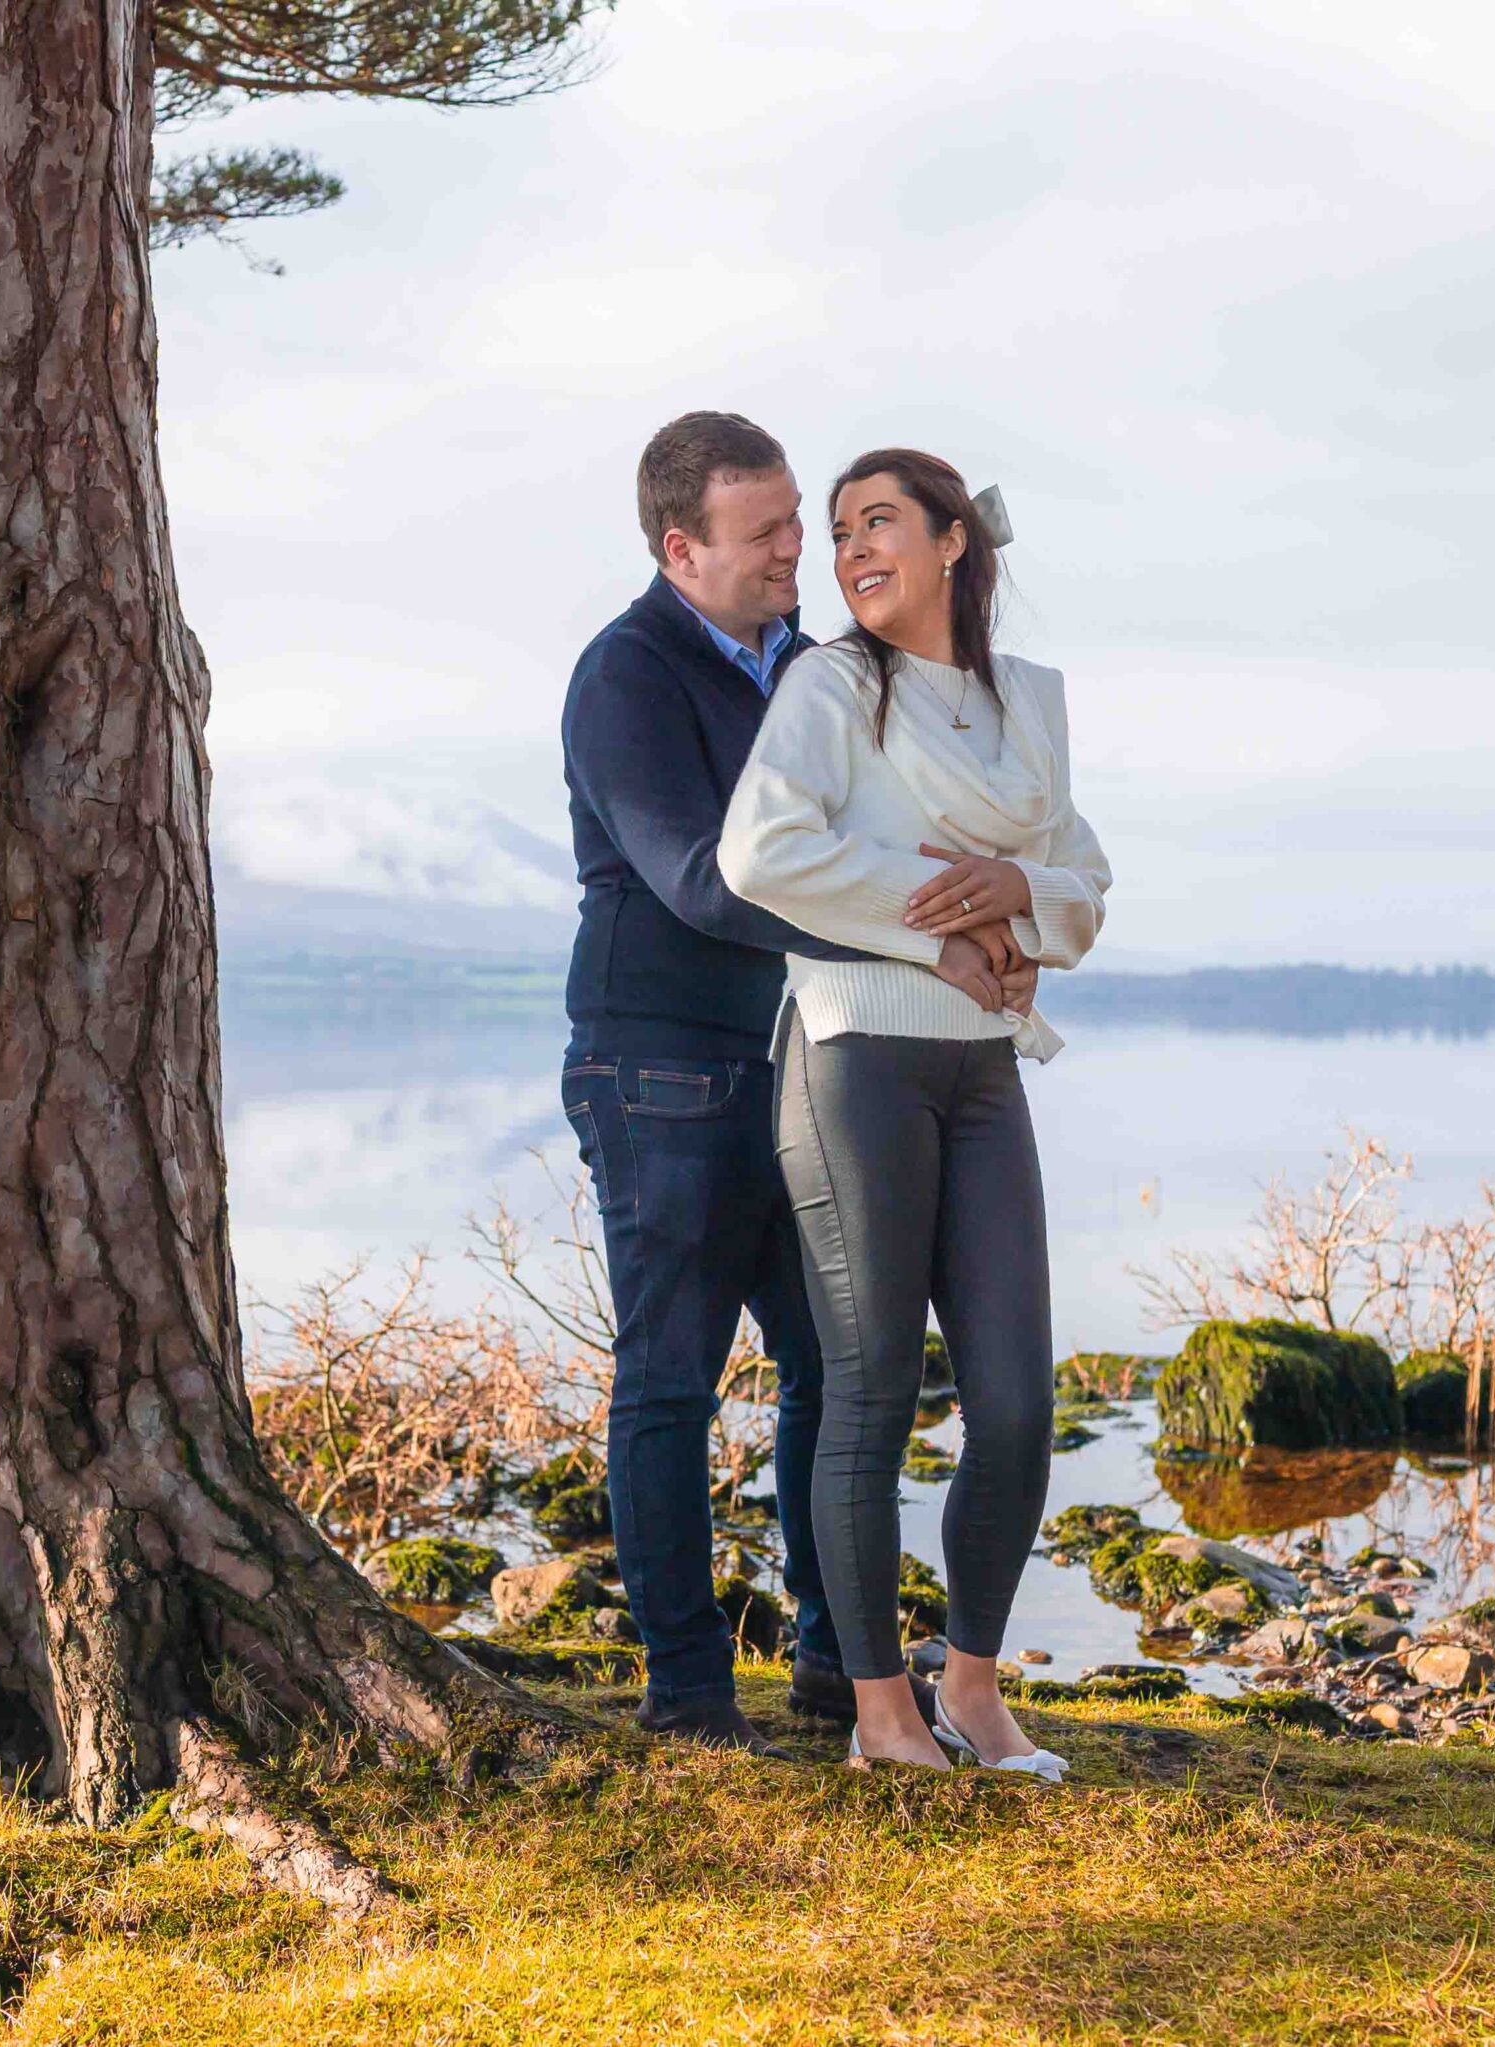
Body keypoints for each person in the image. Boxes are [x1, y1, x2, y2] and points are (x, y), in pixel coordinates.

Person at [561, 413, 1032, 1754]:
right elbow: (715, 882)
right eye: (768, 535)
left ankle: (840, 1667)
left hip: (808, 1057)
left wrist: (1003, 908)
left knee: (835, 1364)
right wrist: (934, 933)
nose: (798, 554)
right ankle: (691, 1693)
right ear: (679, 547)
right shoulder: (627, 678)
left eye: (803, 527)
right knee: (671, 1379)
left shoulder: (819, 671)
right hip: (659, 1068)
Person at [717, 446, 1112, 1774]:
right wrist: (930, 930)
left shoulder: (1032, 703)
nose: (849, 551)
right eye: (838, 532)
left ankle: (976, 1688)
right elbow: (760, 852)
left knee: (1013, 1402)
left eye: (879, 522)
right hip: (854, 1057)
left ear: (954, 542)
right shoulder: (830, 685)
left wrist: (1013, 891)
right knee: (872, 1389)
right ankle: (884, 1714)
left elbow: (1083, 884)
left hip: (985, 1068)